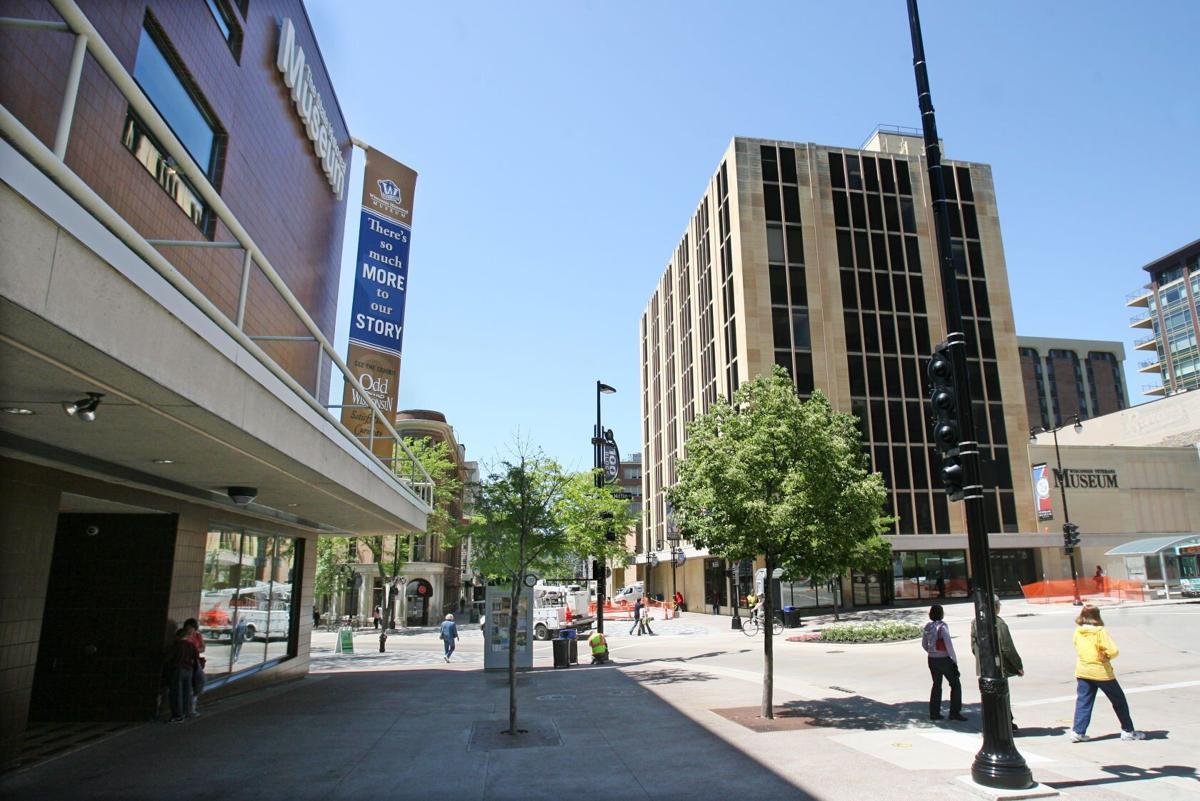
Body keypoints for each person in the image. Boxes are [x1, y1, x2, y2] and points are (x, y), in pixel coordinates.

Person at [1069, 605, 1144, 742]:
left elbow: (1077, 646)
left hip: (1083, 670)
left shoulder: (1078, 631)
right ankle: (1128, 730)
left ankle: (1078, 731)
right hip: (1100, 671)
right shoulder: (1099, 631)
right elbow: (1113, 650)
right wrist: (1106, 655)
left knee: (1084, 701)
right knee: (1118, 700)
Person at [970, 597, 1024, 729]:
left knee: (989, 694)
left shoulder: (975, 622)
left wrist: (981, 659)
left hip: (984, 663)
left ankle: (999, 721)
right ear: (994, 607)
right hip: (998, 665)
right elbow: (1007, 647)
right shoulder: (999, 623)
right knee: (1001, 694)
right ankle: (1005, 722)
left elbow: (973, 645)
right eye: (998, 605)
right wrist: (1018, 666)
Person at [922, 605, 966, 722]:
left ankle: (934, 713)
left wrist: (932, 652)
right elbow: (948, 644)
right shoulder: (943, 626)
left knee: (936, 685)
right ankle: (954, 712)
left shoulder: (927, 626)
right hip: (944, 659)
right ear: (941, 614)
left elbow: (924, 644)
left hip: (932, 659)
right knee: (955, 684)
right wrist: (954, 660)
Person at [165, 628, 198, 723]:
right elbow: (196, 657)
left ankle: (177, 716)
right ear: (186, 636)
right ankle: (185, 712)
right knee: (186, 692)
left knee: (176, 693)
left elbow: (168, 658)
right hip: (189, 670)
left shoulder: (176, 646)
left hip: (178, 670)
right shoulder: (191, 646)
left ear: (177, 636)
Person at [182, 618, 205, 716]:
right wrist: (195, 650)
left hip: (196, 662)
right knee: (190, 685)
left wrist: (195, 650)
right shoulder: (183, 636)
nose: (190, 630)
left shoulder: (198, 635)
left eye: (192, 628)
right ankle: (189, 709)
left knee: (199, 683)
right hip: (187, 663)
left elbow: (203, 648)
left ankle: (192, 707)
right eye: (188, 628)